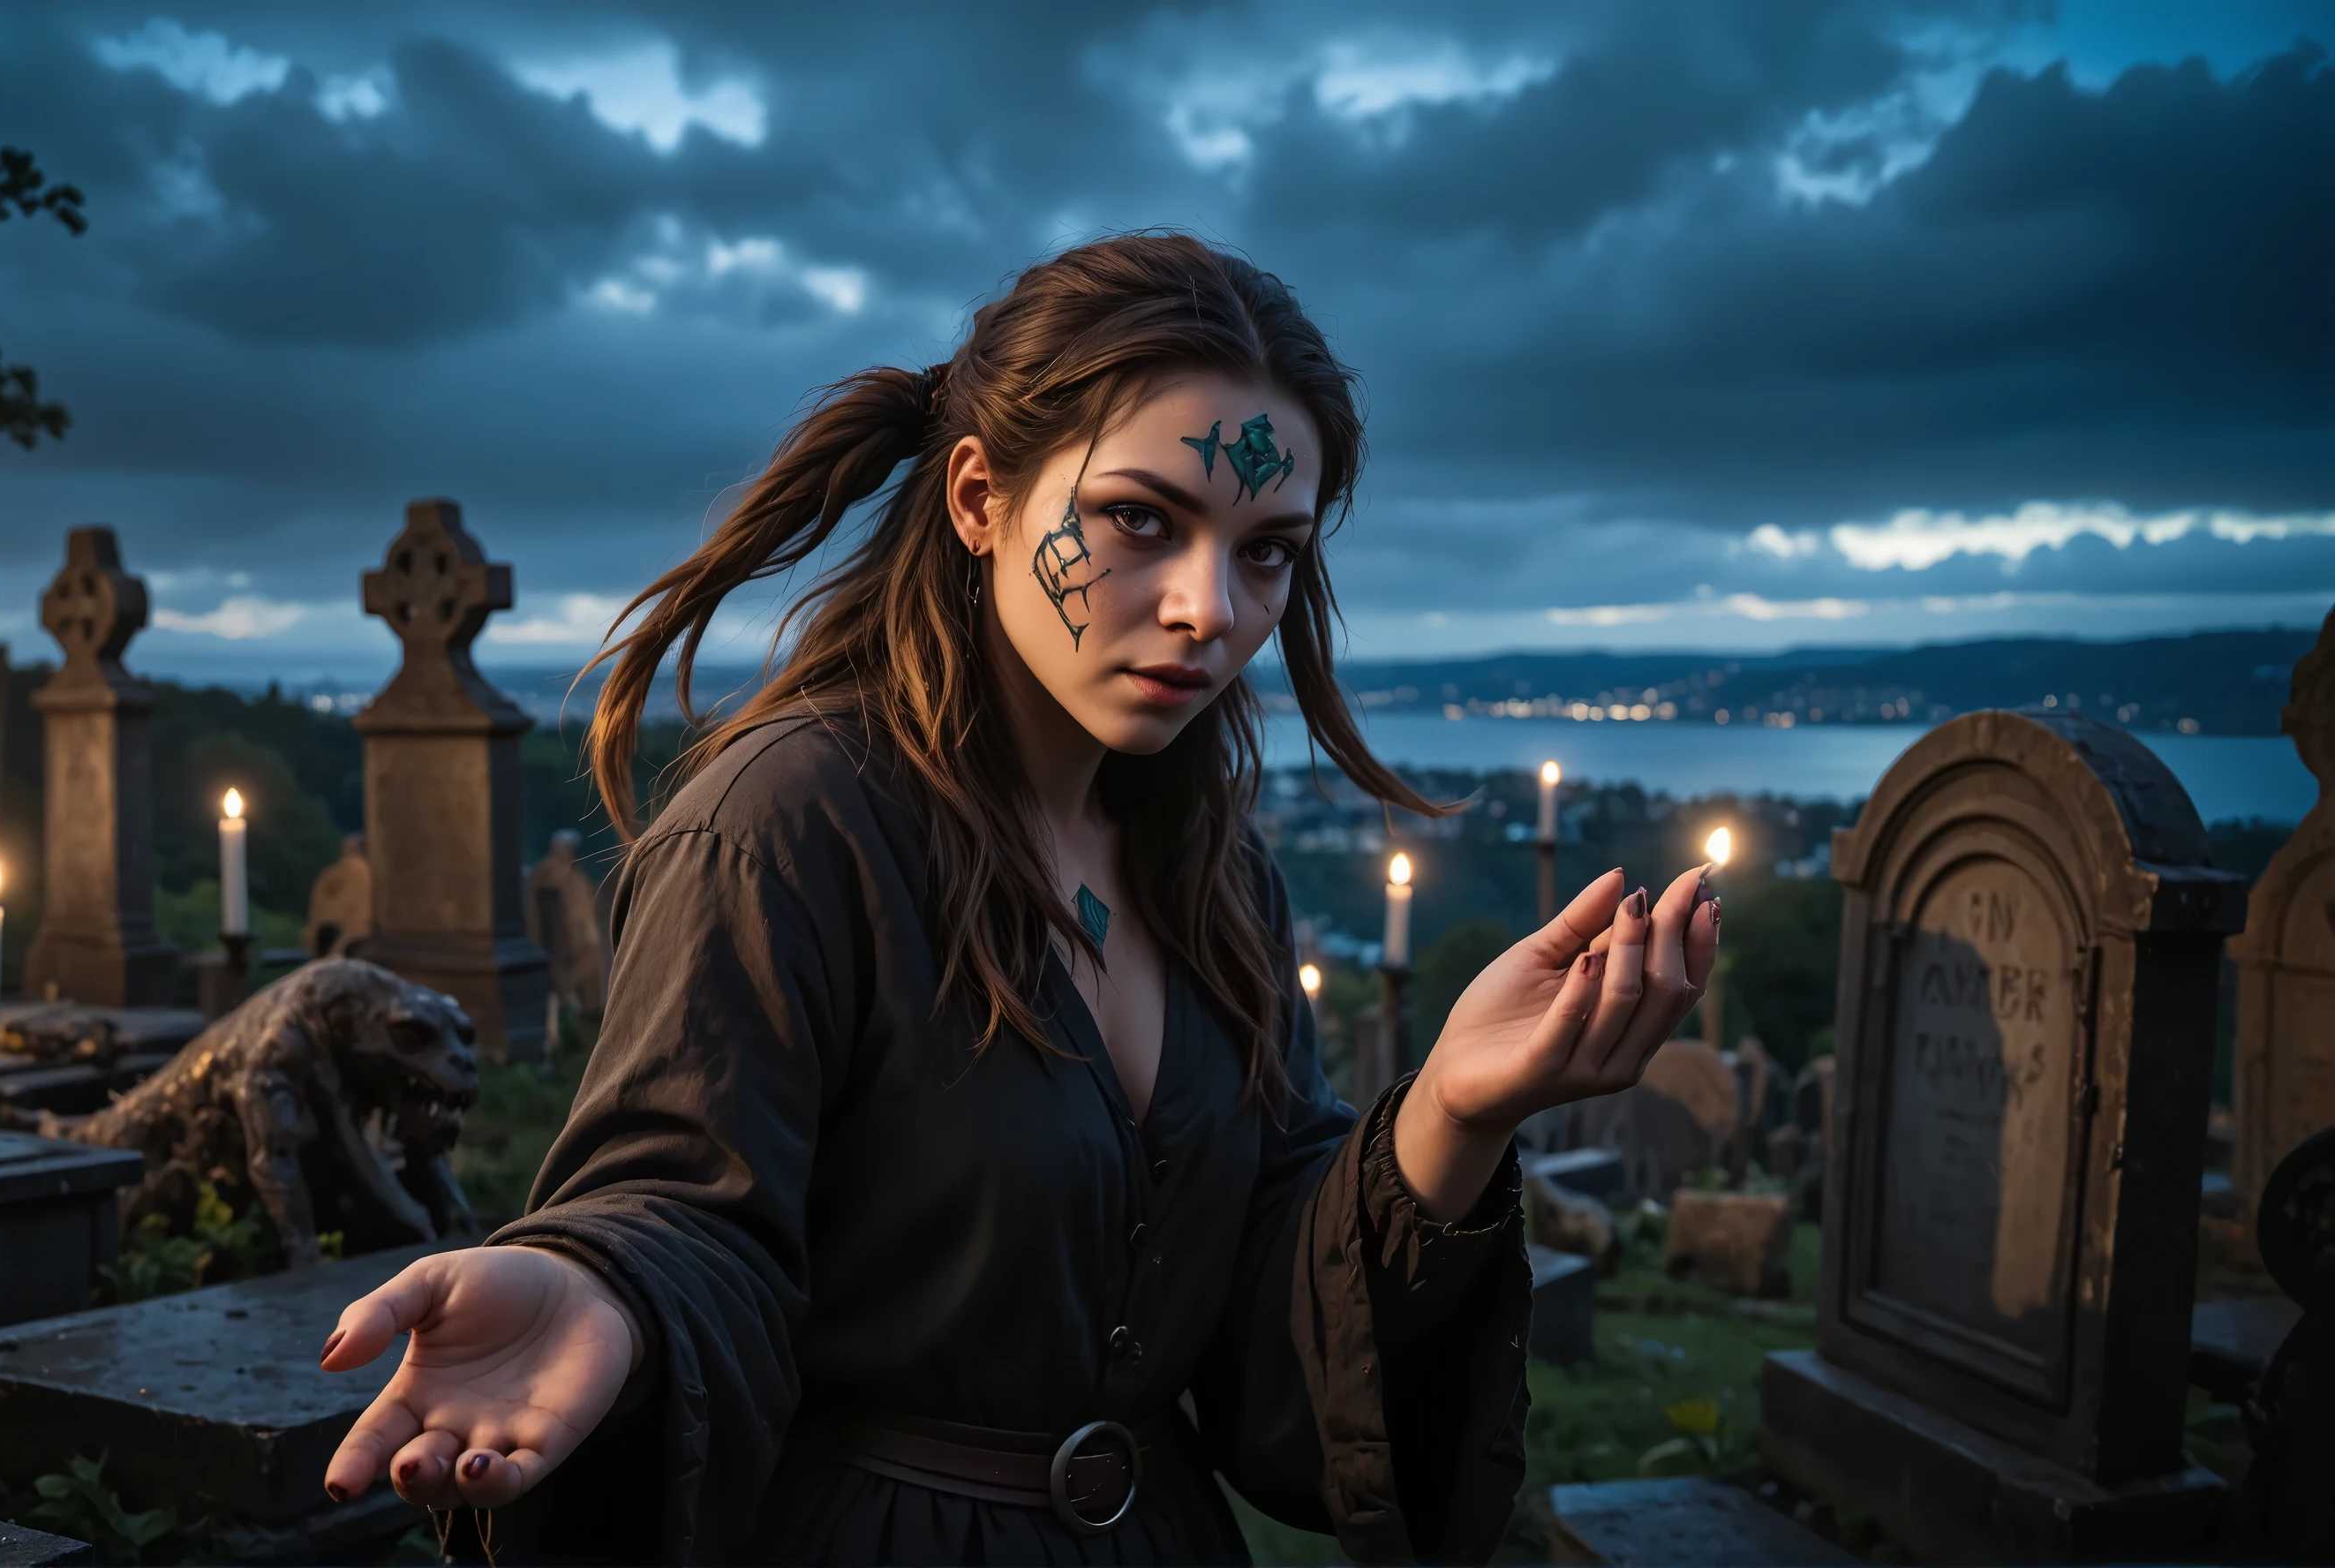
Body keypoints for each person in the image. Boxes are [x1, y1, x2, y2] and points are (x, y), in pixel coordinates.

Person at [317, 233, 1719, 1564]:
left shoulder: (1219, 871)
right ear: (981, 498)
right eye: (1139, 521)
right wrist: (596, 1286)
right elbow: (686, 1202)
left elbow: (1266, 1355)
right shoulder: (790, 824)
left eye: (1267, 551)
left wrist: (1448, 1113)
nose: (1209, 609)